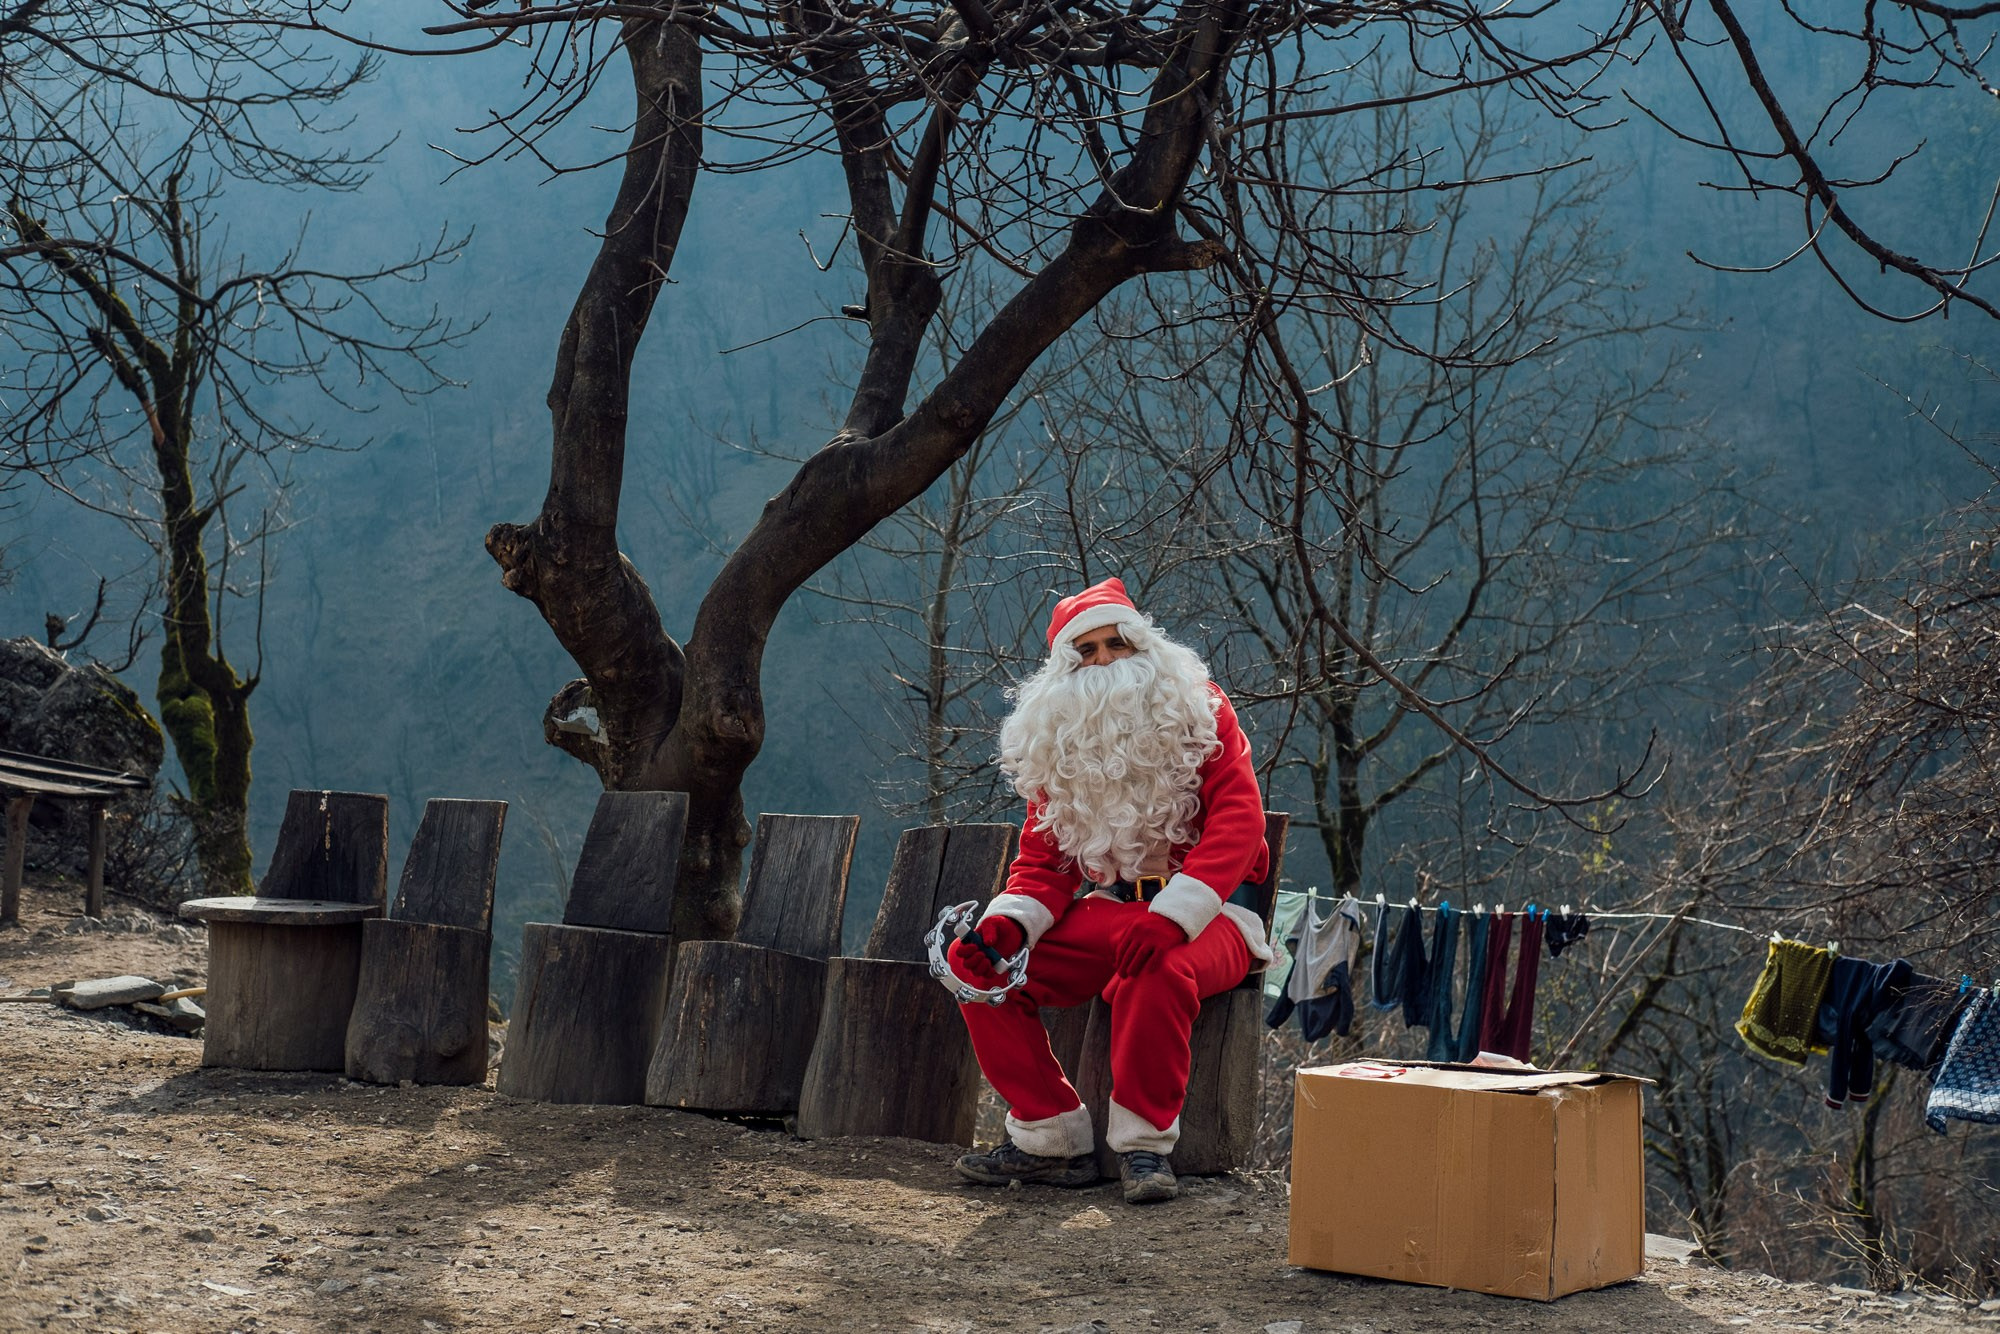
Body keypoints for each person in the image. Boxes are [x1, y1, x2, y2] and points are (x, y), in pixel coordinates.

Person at [947, 576, 1272, 1204]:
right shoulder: (1060, 738)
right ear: (1065, 668)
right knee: (977, 966)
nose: (1103, 661)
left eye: (1115, 644)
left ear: (1142, 645)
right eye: (1086, 651)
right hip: (1115, 915)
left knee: (1158, 971)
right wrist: (1010, 923)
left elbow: (1240, 819)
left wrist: (1175, 917)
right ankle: (1049, 1138)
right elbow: (1045, 860)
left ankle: (1145, 1150)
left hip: (1214, 918)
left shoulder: (1200, 710)